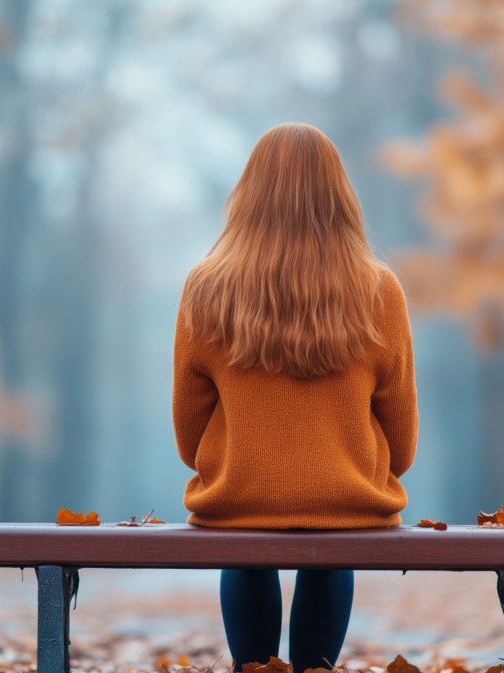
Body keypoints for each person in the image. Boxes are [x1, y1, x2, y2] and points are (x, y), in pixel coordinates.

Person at [171, 122, 419, 673]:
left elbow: (189, 436)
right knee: (332, 554)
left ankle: (252, 669)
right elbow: (401, 440)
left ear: (248, 194)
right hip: (348, 498)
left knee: (244, 552)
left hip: (237, 497)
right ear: (340, 197)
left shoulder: (204, 289)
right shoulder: (381, 291)